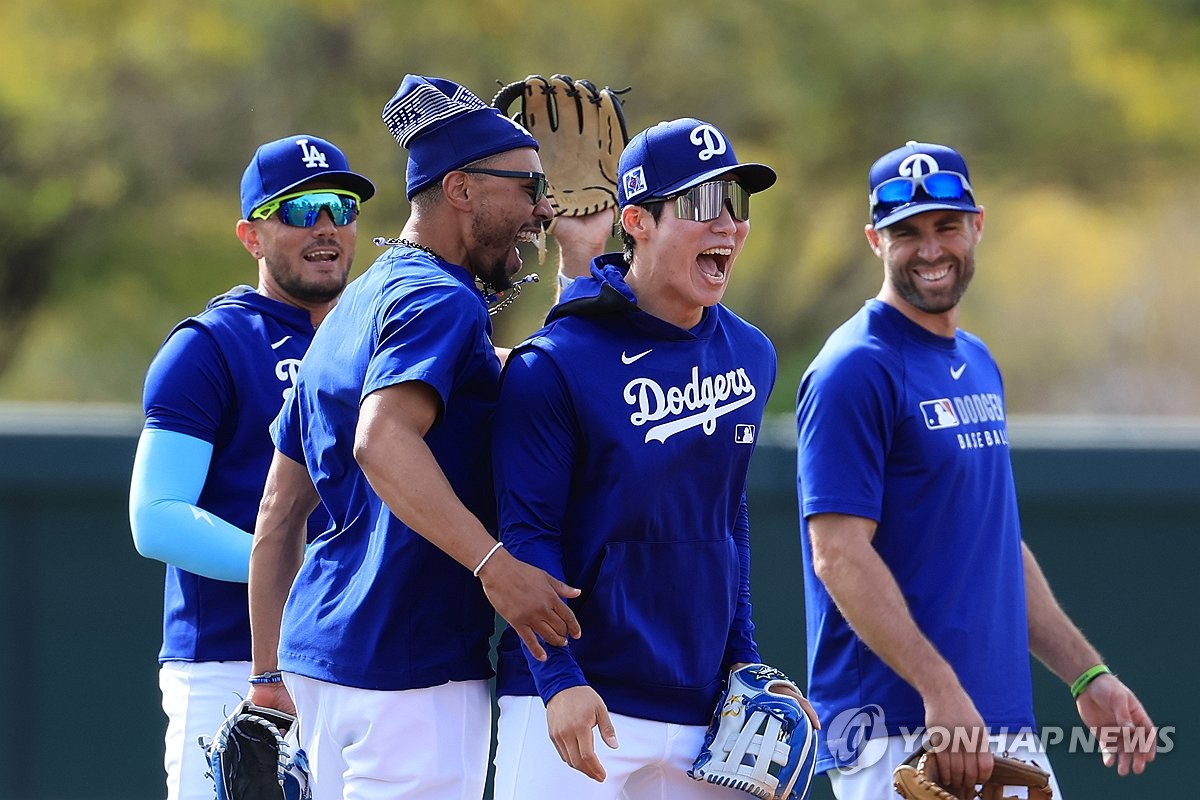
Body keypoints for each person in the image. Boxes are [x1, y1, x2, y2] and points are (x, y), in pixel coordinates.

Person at [245, 74, 604, 799]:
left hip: (317, 662)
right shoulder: (443, 300)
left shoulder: (354, 306)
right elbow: (382, 440)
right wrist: (496, 566)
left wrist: (266, 676)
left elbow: (278, 514)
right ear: (462, 189)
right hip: (411, 674)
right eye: (528, 186)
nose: (542, 207)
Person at [795, 140, 1157, 798]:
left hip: (992, 713)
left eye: (946, 226)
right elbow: (838, 555)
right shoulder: (855, 368)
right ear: (874, 240)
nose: (931, 249)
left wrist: (1085, 674)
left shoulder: (977, 360)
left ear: (977, 226)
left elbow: (993, 545)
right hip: (901, 723)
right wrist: (940, 690)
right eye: (906, 232)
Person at [489, 117, 817, 799]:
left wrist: (744, 666)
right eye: (700, 205)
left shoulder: (750, 355)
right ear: (636, 221)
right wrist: (558, 680)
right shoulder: (555, 364)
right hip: (579, 703)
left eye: (737, 201)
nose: (726, 223)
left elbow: (726, 521)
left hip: (703, 711)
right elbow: (528, 539)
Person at [128, 133, 374, 800]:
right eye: (299, 211)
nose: (325, 228)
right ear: (251, 235)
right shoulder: (211, 345)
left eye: (340, 208)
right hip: (229, 666)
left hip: (353, 664)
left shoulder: (377, 337)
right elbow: (156, 519)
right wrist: (303, 573)